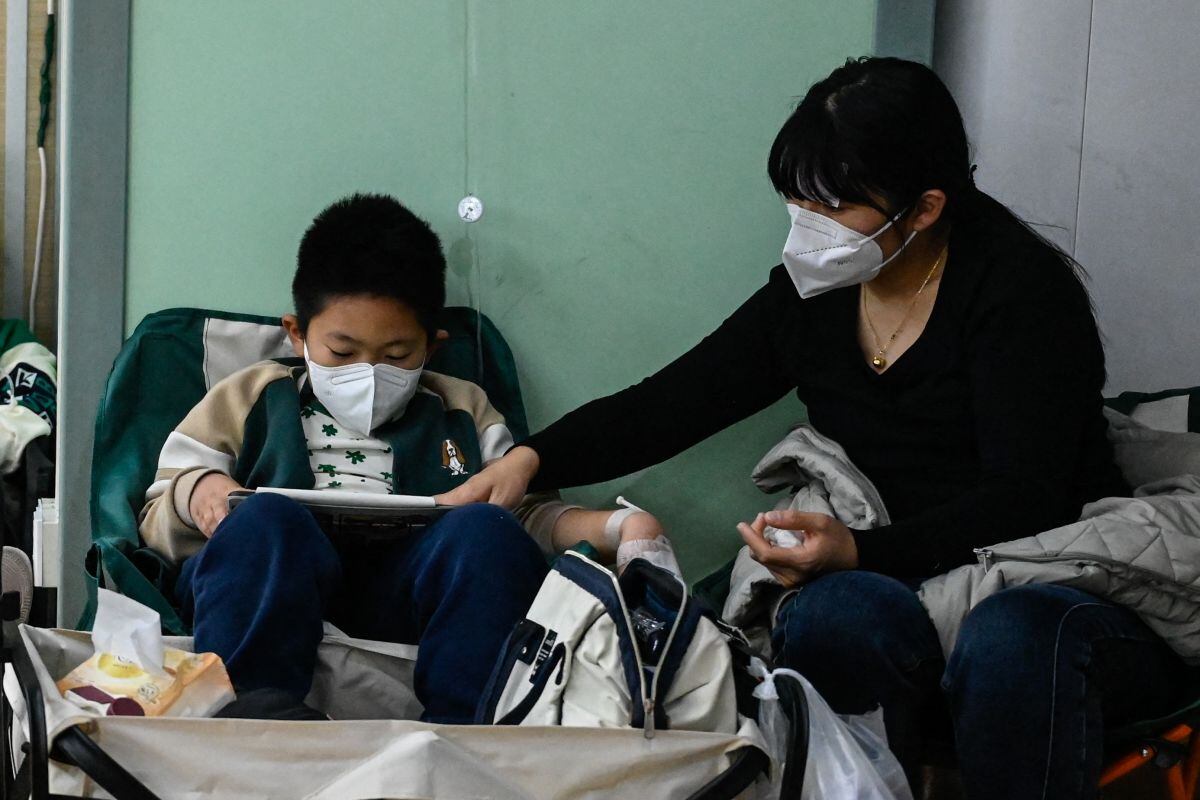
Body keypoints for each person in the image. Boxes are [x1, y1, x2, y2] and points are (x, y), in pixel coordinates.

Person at [438, 59, 1193, 796]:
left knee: (1011, 639)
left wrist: (863, 549)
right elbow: (675, 400)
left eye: (834, 206)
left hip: (1049, 576)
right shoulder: (818, 294)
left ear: (925, 208)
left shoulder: (1018, 296)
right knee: (837, 615)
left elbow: (1028, 495)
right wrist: (533, 459)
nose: (808, 226)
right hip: (902, 562)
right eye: (798, 200)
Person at [139, 193, 669, 723]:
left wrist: (615, 525)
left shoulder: (462, 408)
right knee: (264, 520)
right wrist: (199, 493)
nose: (367, 373)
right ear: (297, 333)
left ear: (431, 348)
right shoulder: (250, 394)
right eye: (341, 353)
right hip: (273, 579)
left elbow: (523, 515)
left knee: (484, 530)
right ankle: (252, 710)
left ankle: (467, 724)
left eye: (396, 356)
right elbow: (158, 509)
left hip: (408, 588)